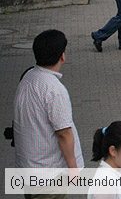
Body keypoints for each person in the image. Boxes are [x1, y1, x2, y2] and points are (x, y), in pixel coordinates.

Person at [13, 30, 83, 199]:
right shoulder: (54, 90)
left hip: (30, 169)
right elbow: (64, 133)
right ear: (62, 56)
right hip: (49, 176)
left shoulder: (28, 77)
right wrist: (73, 169)